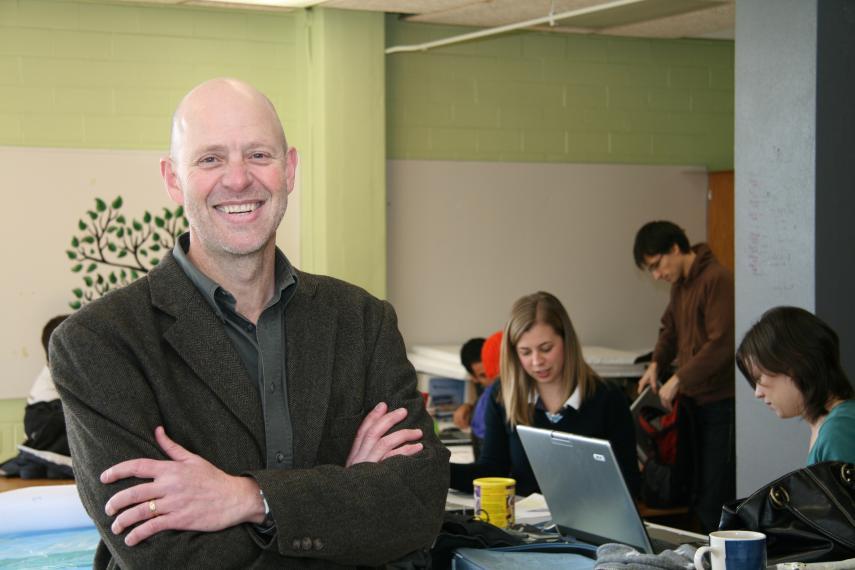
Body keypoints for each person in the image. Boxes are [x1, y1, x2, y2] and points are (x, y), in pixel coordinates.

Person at [49, 78, 449, 569]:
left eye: (258, 155)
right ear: (173, 179)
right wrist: (346, 501)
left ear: (290, 169)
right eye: (210, 159)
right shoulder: (99, 343)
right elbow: (167, 559)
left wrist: (250, 498)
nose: (238, 180)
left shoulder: (363, 321)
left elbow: (417, 506)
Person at [449, 291, 639, 497]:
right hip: (524, 516)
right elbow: (491, 471)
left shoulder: (608, 398)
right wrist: (437, 469)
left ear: (567, 341)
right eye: (525, 352)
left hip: (593, 514)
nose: (537, 361)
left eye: (546, 349)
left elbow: (628, 484)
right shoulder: (503, 394)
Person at [633, 220, 735, 532]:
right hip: (693, 405)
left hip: (719, 405)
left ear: (675, 248)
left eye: (657, 264)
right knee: (694, 489)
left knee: (714, 495)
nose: (656, 275)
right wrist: (656, 364)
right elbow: (670, 330)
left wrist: (679, 379)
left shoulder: (717, 279)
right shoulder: (681, 287)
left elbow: (723, 343)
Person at [736, 306, 855, 465]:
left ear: (796, 363)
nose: (757, 392)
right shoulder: (831, 426)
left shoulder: (839, 430)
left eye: (759, 378)